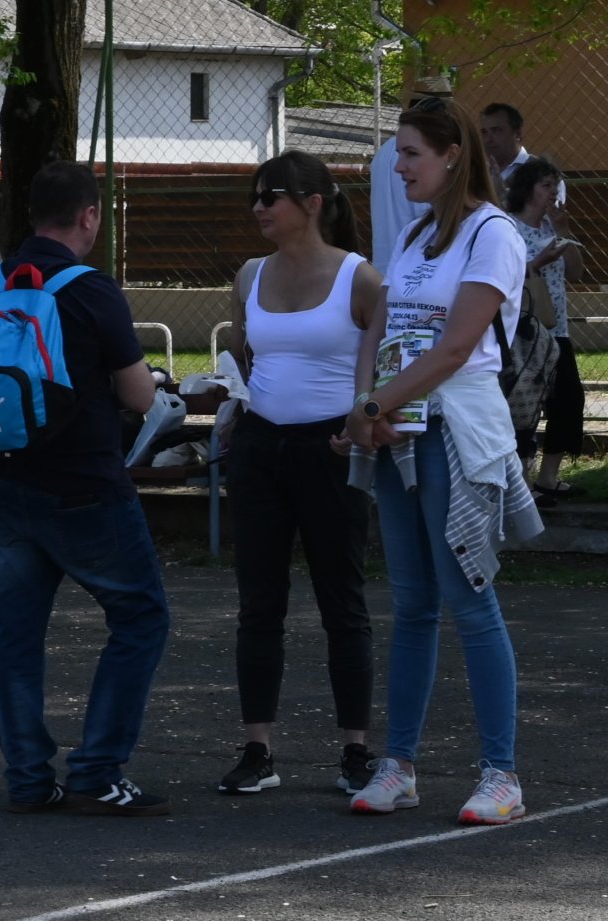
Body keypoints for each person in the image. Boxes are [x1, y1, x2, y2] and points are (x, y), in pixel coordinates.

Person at [341, 95, 543, 825]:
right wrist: (368, 404)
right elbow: (378, 326)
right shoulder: (415, 231)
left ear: (452, 155)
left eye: (410, 154)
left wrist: (373, 408)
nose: (398, 167)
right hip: (399, 428)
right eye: (398, 153)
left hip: (457, 429)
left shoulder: (494, 233)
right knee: (413, 604)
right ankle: (398, 766)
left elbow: (458, 347)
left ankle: (501, 775)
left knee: (470, 601)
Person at [0, 160, 168, 816]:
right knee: (140, 616)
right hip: (86, 486)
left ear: (31, 214)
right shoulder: (92, 290)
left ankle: (26, 777)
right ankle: (97, 769)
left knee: (18, 635)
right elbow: (139, 395)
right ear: (89, 216)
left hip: (7, 480)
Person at [218, 150, 381, 797]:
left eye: (271, 197)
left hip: (331, 448)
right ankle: (257, 749)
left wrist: (363, 419)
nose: (259, 208)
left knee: (343, 601)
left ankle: (356, 752)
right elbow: (241, 355)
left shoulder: (359, 278)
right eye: (254, 197)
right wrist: (229, 400)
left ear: (312, 204)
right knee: (258, 603)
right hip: (261, 446)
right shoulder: (249, 275)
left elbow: (381, 366)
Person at [505, 156, 585, 501]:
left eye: (556, 185)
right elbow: (504, 278)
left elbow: (577, 273)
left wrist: (564, 231)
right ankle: (521, 483)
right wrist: (538, 262)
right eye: (546, 186)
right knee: (524, 405)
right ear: (528, 190)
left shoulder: (553, 227)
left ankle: (548, 477)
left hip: (556, 329)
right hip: (522, 331)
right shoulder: (508, 227)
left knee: (569, 400)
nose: (554, 192)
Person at [370, 76, 451, 273]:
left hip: (384, 265)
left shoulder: (383, 152)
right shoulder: (431, 158)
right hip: (418, 267)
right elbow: (428, 215)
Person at [479, 103, 565, 207]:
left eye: (496, 131)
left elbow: (549, 216)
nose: (488, 139)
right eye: (484, 132)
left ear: (517, 134)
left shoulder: (546, 174)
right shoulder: (476, 172)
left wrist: (502, 196)